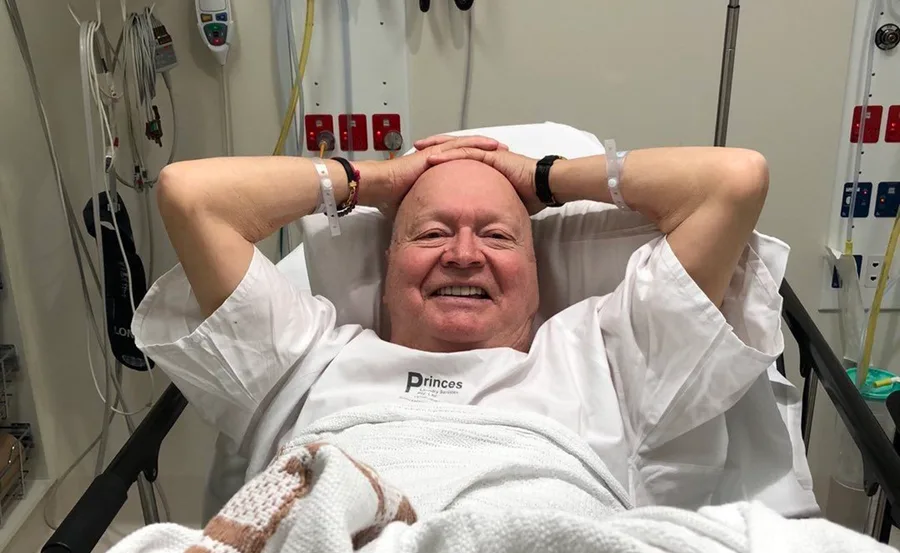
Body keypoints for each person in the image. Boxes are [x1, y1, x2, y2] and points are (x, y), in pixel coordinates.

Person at [133, 134, 781, 512]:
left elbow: (734, 180)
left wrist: (544, 178)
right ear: (387, 266)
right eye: (432, 232)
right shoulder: (305, 360)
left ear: (536, 270)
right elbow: (191, 196)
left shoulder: (609, 359)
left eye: (498, 235)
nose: (464, 253)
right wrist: (372, 180)